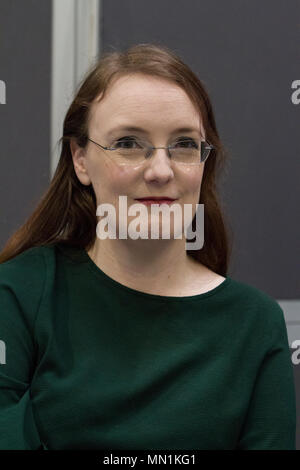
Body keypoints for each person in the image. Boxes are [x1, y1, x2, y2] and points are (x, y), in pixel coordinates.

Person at [0, 43, 296, 450]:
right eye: (128, 144)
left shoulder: (254, 323)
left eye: (184, 145)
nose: (160, 170)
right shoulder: (18, 294)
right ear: (80, 159)